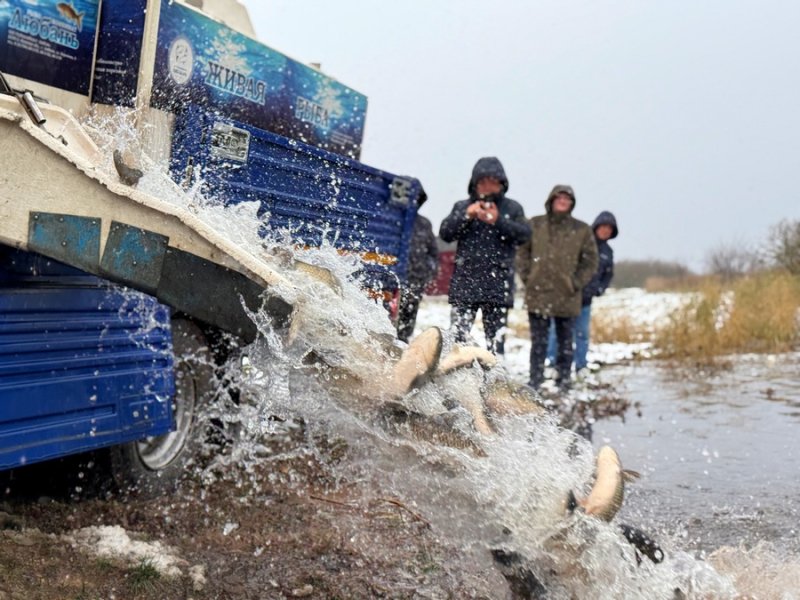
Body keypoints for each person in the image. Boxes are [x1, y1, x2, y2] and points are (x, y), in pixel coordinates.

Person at [439, 157, 530, 355]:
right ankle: (456, 380)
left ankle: (493, 382)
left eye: (493, 182)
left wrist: (498, 221)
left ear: (501, 184)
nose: (488, 187)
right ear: (475, 184)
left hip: (497, 286)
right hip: (465, 284)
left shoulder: (512, 208)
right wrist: (466, 216)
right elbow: (445, 233)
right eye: (483, 181)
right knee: (457, 342)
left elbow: (525, 235)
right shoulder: (463, 206)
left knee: (495, 346)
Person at [517, 185, 598, 390]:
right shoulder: (535, 224)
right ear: (551, 200)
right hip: (538, 293)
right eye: (559, 198)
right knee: (539, 342)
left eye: (567, 199)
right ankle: (535, 379)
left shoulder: (581, 230)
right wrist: (529, 277)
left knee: (565, 342)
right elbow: (522, 253)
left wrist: (575, 283)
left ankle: (564, 379)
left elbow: (590, 261)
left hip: (567, 295)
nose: (563, 201)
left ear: (572, 203)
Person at [546, 211, 619, 376]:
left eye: (609, 228)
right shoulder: (583, 242)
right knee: (556, 332)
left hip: (586, 300)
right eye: (603, 227)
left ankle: (581, 366)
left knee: (582, 334)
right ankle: (552, 363)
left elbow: (608, 274)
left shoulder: (608, 252)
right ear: (597, 227)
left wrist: (600, 289)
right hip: (568, 296)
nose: (605, 231)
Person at [397, 186, 439, 342]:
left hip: (415, 282)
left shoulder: (424, 224)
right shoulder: (393, 220)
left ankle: (402, 349)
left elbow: (433, 253)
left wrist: (427, 273)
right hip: (394, 281)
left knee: (406, 326)